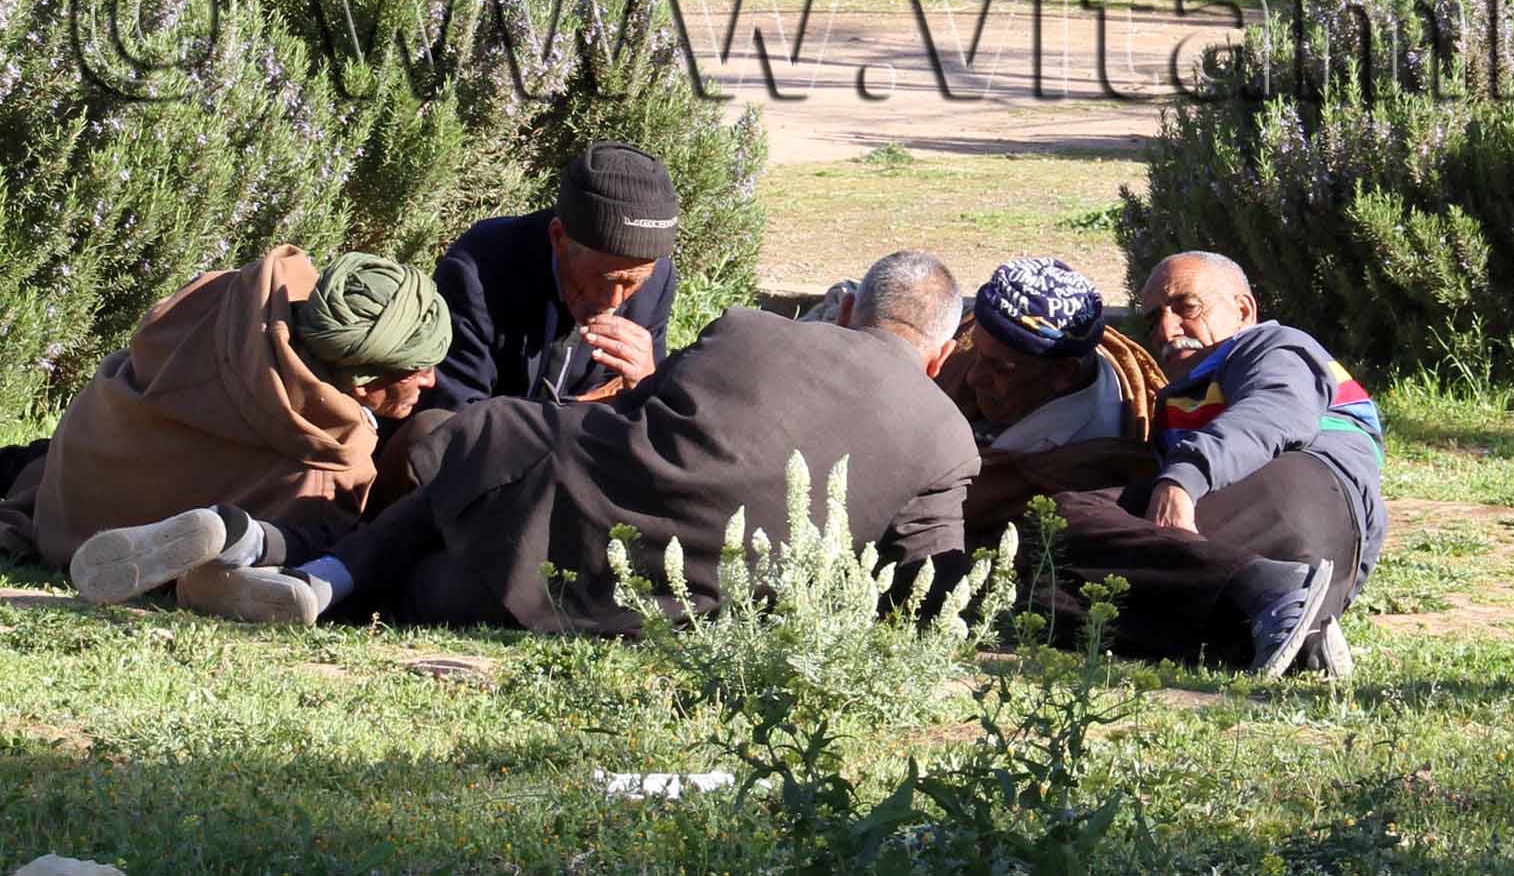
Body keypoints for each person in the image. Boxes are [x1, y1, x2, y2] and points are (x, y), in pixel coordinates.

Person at [170, 269, 980, 635]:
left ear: (850, 308)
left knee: (486, 436)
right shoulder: (946, 435)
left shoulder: (749, 328)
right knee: (424, 586)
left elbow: (635, 418)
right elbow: (927, 584)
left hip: (544, 520)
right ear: (941, 354)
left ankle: (293, 558)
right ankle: (309, 572)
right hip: (671, 614)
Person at [0, 249, 449, 605]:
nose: (431, 381)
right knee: (329, 540)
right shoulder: (328, 459)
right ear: (363, 382)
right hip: (131, 529)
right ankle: (232, 542)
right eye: (418, 370)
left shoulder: (212, 309)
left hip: (67, 503)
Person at [1033, 251, 1386, 679]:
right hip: (1266, 557)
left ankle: (1274, 594)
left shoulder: (1275, 346)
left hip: (1305, 498)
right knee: (1048, 570)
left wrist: (1181, 480)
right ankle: (1290, 628)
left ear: (1243, 310)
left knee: (1062, 527)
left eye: (1186, 307)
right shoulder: (1175, 402)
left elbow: (1273, 414)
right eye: (1153, 320)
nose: (1166, 330)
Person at [927, 257, 1167, 547]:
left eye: (1000, 368)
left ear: (1062, 374)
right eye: (977, 352)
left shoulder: (1087, 465)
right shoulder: (988, 351)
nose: (973, 377)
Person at [426, 142, 678, 411]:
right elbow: (455, 415)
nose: (613, 301)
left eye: (634, 282)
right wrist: (581, 410)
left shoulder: (657, 281)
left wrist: (648, 383)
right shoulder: (480, 271)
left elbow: (644, 408)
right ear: (558, 237)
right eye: (606, 279)